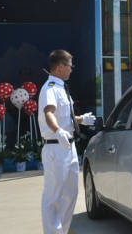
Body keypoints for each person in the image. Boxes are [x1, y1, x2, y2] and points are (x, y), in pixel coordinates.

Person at [38, 49, 95, 234]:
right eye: (70, 66)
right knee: (53, 196)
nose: (71, 69)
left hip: (68, 146)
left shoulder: (62, 88)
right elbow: (49, 113)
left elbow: (64, 116)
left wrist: (81, 119)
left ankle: (62, 230)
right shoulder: (50, 88)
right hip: (56, 147)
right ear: (60, 67)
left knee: (71, 194)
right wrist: (58, 131)